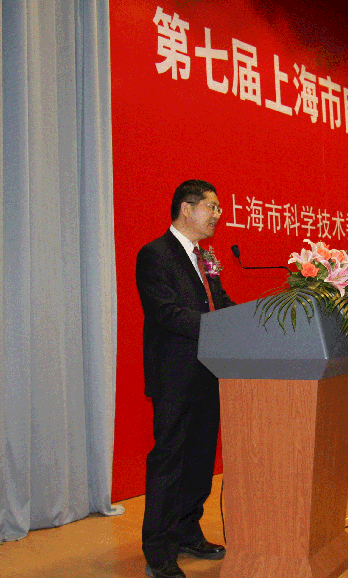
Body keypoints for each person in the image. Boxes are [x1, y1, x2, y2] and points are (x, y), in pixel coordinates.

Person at [136, 180, 236, 578]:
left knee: (199, 460)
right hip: (175, 376)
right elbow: (166, 312)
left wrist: (250, 321)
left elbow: (220, 303)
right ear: (186, 208)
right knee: (170, 461)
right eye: (212, 207)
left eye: (218, 208)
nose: (218, 215)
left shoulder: (205, 256)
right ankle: (158, 551)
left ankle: (188, 530)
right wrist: (219, 326)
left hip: (209, 373)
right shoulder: (155, 254)